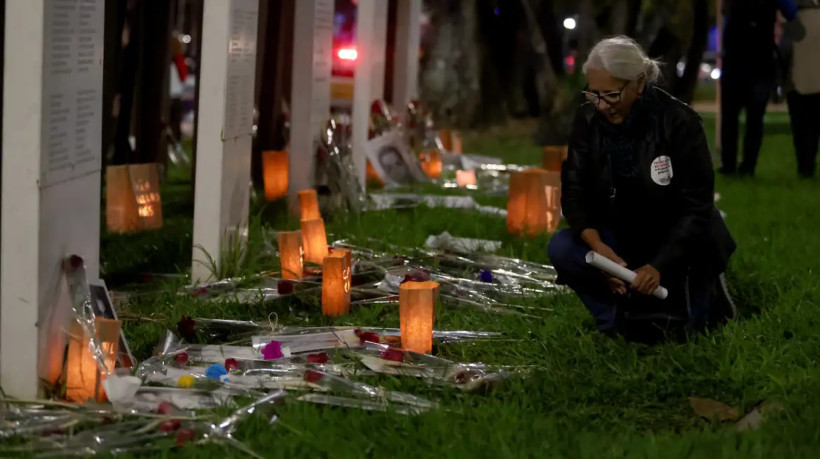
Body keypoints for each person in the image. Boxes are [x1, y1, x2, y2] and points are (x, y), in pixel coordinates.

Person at [548, 37, 737, 342]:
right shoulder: (587, 119)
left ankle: (707, 292)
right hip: (619, 237)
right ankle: (615, 322)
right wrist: (599, 248)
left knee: (682, 333)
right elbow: (574, 193)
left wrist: (659, 265)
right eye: (593, 94)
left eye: (610, 94)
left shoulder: (679, 121)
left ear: (637, 83)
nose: (602, 105)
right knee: (562, 248)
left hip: (677, 243)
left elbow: (697, 207)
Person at [720, 0, 798, 177]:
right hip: (760, 60)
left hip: (735, 59)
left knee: (730, 119)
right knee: (754, 120)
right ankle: (747, 166)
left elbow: (725, 13)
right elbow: (792, 12)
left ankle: (729, 165)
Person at [783, 1, 820, 178]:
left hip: (798, 84)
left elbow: (785, 52)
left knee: (802, 132)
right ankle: (807, 167)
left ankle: (805, 168)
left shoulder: (794, 20)